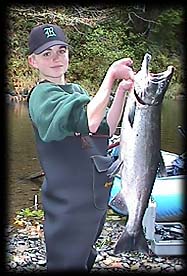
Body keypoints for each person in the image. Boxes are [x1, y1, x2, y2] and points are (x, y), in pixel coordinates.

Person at [27, 23, 134, 272]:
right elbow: (90, 119)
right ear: (33, 61)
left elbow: (105, 125)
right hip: (68, 205)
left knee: (86, 257)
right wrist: (110, 76)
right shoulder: (42, 96)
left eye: (61, 51)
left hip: (94, 197)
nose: (55, 58)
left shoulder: (77, 91)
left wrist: (120, 92)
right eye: (47, 54)